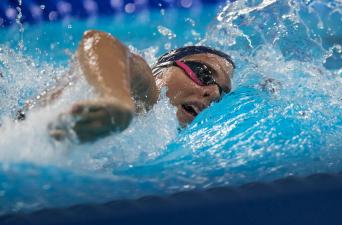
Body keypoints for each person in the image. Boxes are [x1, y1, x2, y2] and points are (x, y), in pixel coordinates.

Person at [19, 30, 235, 143]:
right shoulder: (146, 91)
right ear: (164, 66)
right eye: (204, 74)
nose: (213, 93)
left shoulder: (160, 134)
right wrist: (115, 101)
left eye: (222, 93)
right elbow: (98, 41)